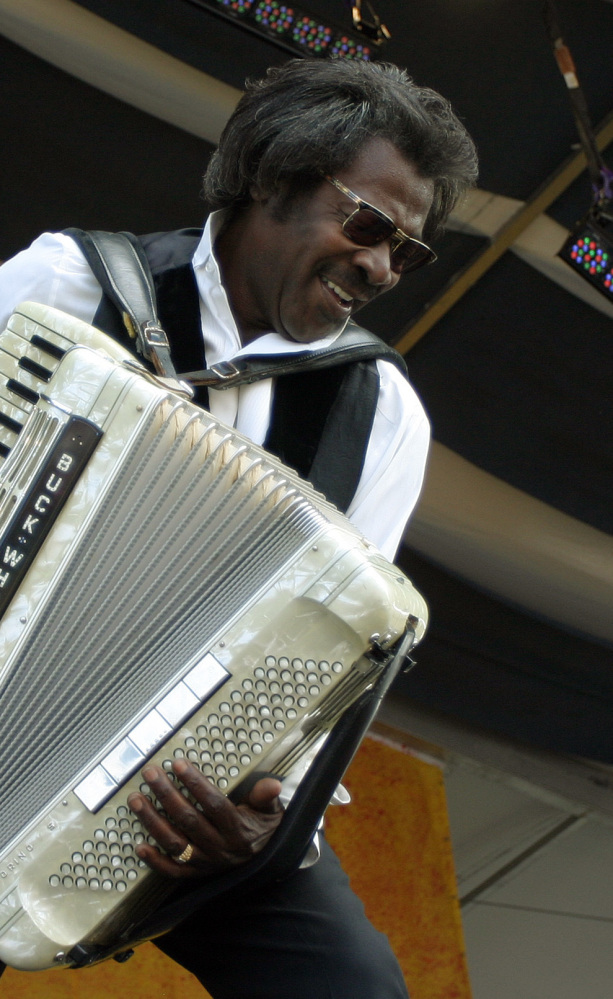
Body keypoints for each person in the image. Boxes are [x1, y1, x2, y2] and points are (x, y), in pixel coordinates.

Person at [0, 58, 477, 998]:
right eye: (369, 224)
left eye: (405, 253)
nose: (382, 266)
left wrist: (269, 814)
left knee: (351, 986)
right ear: (273, 178)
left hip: (189, 803)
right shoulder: (69, 282)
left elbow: (347, 653)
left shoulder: (378, 411)